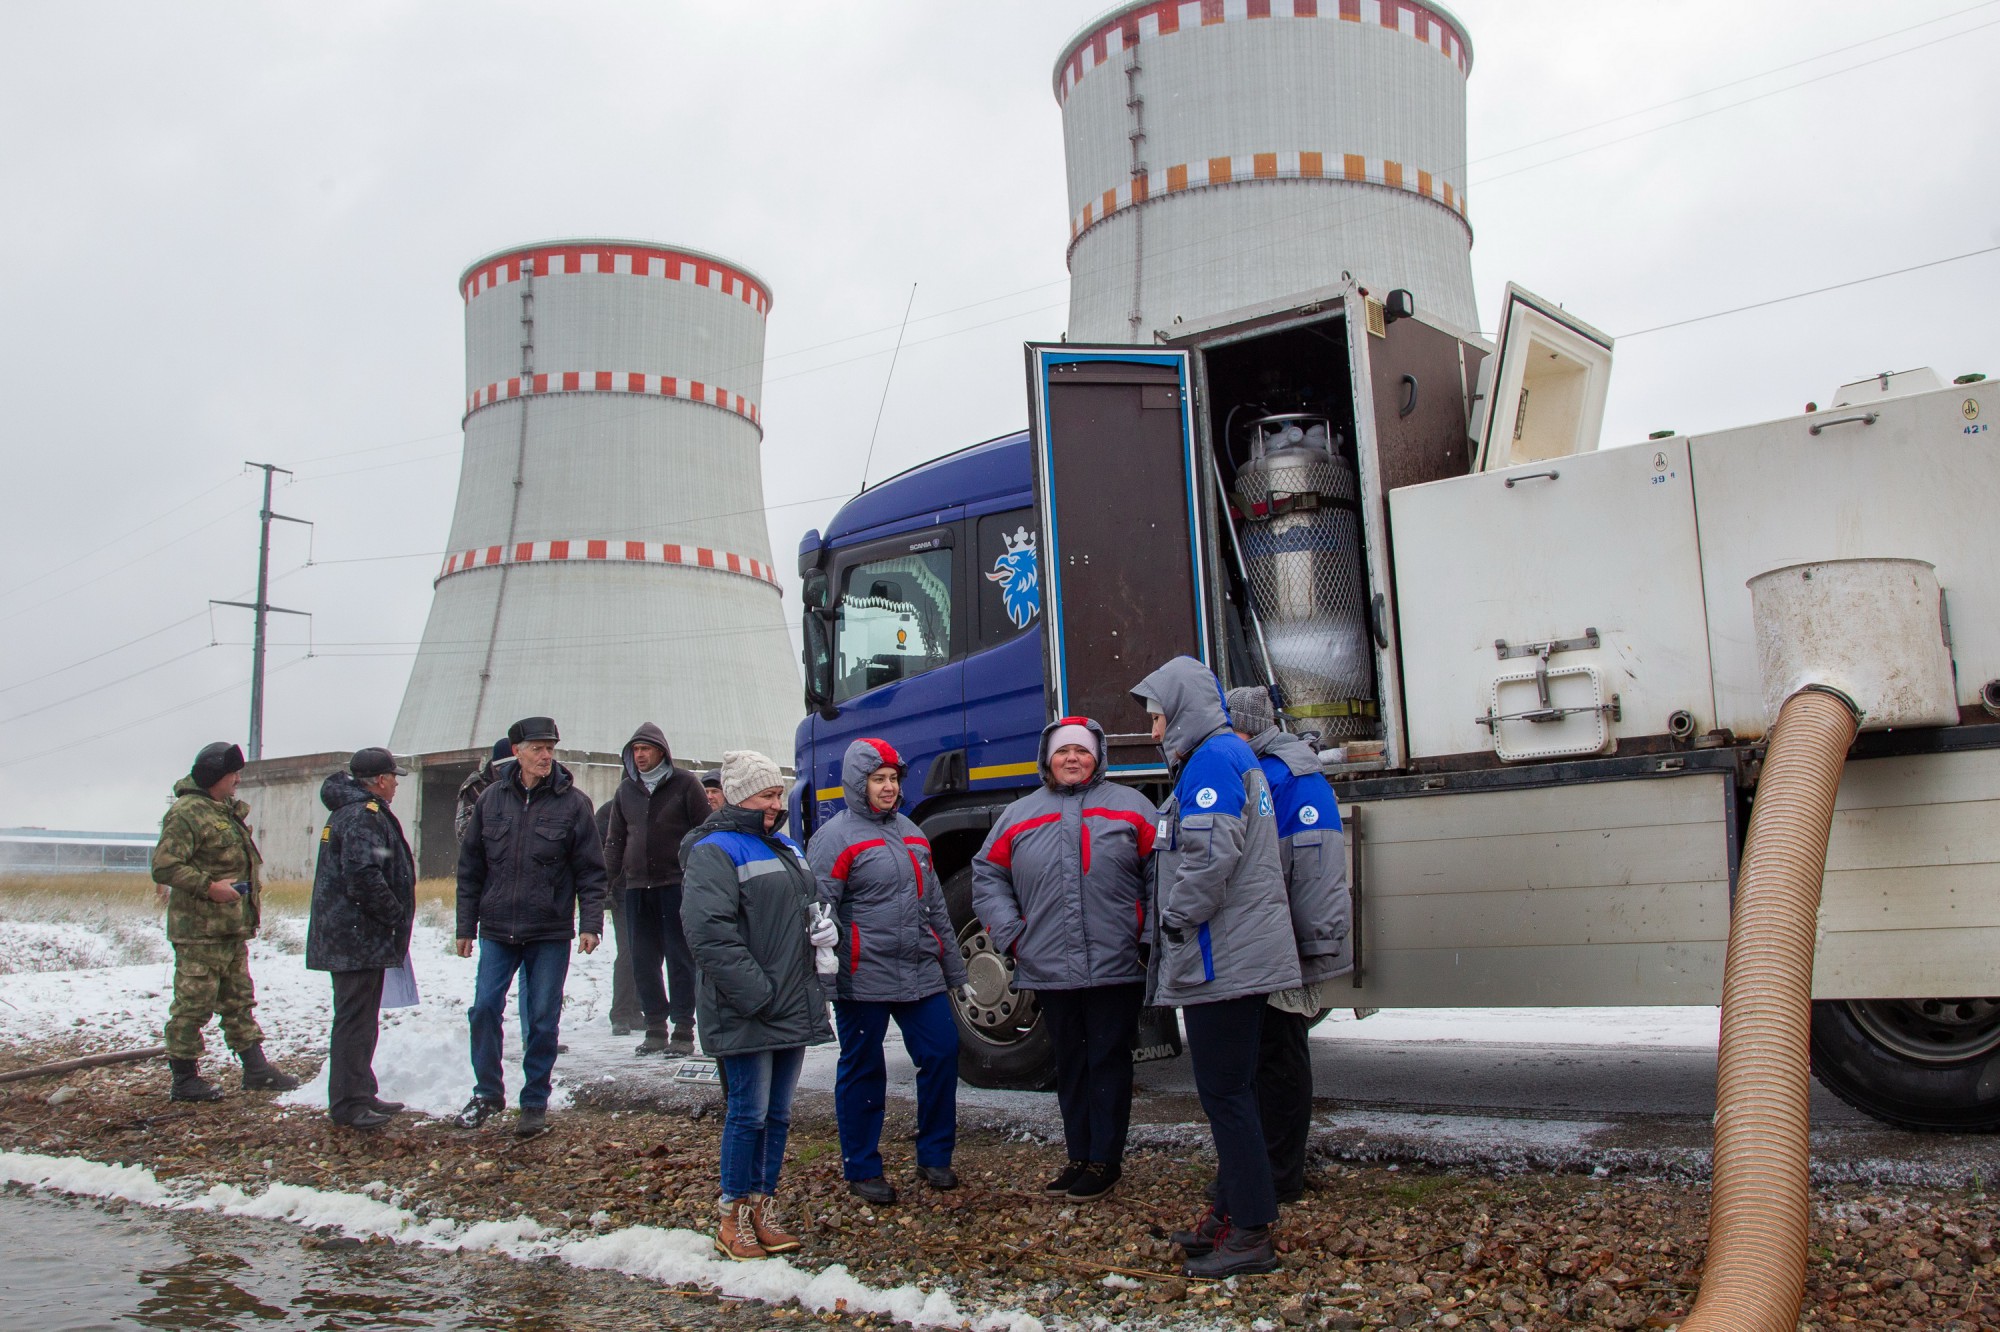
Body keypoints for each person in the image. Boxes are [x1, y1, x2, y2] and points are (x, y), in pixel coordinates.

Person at [1131, 658, 1301, 1279]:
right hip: (1236, 955)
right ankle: (1229, 1214)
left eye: (1156, 715)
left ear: (1180, 707)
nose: (1152, 730)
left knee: (1226, 1095)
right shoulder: (1228, 756)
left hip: (1221, 959)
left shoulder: (1210, 762)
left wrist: (1174, 921)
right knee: (1237, 1092)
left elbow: (1208, 856)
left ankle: (1251, 1234)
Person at [972, 716, 1157, 1202]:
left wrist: (1148, 934)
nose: (1072, 759)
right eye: (1062, 752)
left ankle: (1106, 1160)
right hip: (1049, 963)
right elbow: (987, 875)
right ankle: (1079, 1155)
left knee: (1108, 1061)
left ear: (1098, 757)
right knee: (1071, 1062)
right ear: (1046, 759)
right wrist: (1011, 933)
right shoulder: (1019, 815)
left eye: (1082, 751)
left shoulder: (1133, 808)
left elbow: (1161, 873)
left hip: (1116, 964)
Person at [681, 749, 832, 1261]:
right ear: (744, 796)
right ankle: (732, 1216)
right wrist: (759, 995)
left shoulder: (785, 845)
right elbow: (710, 934)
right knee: (747, 1113)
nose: (776, 803)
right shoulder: (714, 850)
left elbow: (802, 904)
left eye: (777, 793)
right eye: (768, 794)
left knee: (778, 1114)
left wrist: (821, 926)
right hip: (750, 1006)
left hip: (791, 999)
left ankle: (761, 1209)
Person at [807, 739, 970, 1204]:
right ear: (858, 784)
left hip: (919, 972)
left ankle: (935, 1155)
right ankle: (861, 1166)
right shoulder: (835, 838)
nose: (888, 788)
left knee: (941, 1054)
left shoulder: (914, 834)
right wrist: (827, 975)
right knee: (863, 1070)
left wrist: (954, 970)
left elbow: (936, 907)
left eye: (893, 779)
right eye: (878, 779)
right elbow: (820, 911)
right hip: (864, 976)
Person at [1226, 685, 1353, 1204]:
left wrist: (1309, 941)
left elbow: (1312, 867)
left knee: (1277, 1056)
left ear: (1246, 728)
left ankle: (1280, 1173)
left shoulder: (1280, 775)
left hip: (1277, 940)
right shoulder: (1273, 768)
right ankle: (1274, 1167)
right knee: (1269, 1056)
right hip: (1269, 935)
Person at [452, 716, 606, 1138]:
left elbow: (592, 871)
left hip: (549, 929)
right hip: (498, 928)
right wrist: (466, 926)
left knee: (542, 1018)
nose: (545, 756)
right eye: (537, 748)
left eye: (550, 748)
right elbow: (471, 869)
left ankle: (534, 1100)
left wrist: (591, 922)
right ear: (516, 751)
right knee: (484, 1008)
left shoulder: (574, 804)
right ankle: (487, 1092)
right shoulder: (490, 802)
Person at [149, 741, 302, 1101]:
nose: (237, 780)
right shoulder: (187, 813)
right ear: (217, 774)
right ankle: (184, 1078)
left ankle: (256, 1069)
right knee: (193, 1005)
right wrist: (208, 887)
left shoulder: (224, 811)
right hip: (200, 931)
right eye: (234, 773)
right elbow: (165, 865)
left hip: (231, 928)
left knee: (238, 1000)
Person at [305, 747, 417, 1131]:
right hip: (356, 938)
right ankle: (348, 1104)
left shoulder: (353, 812)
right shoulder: (361, 816)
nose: (396, 785)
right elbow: (364, 877)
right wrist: (394, 914)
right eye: (394, 778)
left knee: (361, 1019)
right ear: (381, 780)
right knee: (354, 1020)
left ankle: (361, 1092)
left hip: (354, 937)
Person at [603, 723, 711, 1056]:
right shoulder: (626, 791)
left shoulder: (686, 785)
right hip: (636, 888)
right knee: (642, 960)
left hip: (674, 885)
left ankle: (682, 1029)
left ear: (660, 751)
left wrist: (699, 874)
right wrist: (605, 883)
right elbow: (615, 840)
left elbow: (704, 831)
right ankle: (654, 1027)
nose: (639, 756)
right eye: (634, 750)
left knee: (680, 958)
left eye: (645, 749)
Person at [596, 797, 643, 1036]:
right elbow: (599, 852)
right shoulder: (609, 812)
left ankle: (637, 1010)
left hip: (651, 887)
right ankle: (621, 1013)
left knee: (645, 952)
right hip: (623, 890)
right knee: (627, 951)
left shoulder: (658, 805)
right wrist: (604, 890)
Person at [454, 737, 513, 842]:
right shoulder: (476, 787)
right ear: (496, 767)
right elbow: (465, 833)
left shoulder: (529, 782)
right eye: (507, 767)